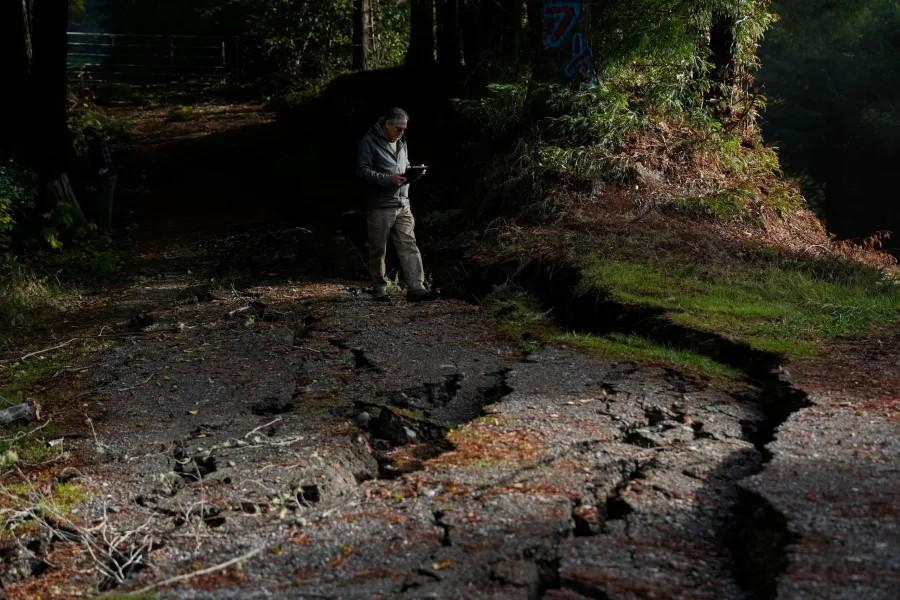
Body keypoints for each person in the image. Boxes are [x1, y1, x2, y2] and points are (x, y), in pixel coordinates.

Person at [356, 107, 438, 302]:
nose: (401, 132)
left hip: (403, 202)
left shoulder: (401, 142)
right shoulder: (369, 141)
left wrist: (415, 172)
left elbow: (404, 167)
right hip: (380, 205)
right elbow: (362, 170)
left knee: (409, 244)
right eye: (398, 128)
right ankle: (379, 289)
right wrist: (387, 179)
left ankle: (416, 288)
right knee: (378, 248)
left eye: (404, 129)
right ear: (387, 124)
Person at [84, 127, 117, 233]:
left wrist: (101, 171)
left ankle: (107, 228)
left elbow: (108, 162)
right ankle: (102, 227)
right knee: (100, 203)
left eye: (88, 135)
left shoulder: (101, 145)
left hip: (108, 177)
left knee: (106, 203)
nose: (86, 138)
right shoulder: (92, 146)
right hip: (100, 178)